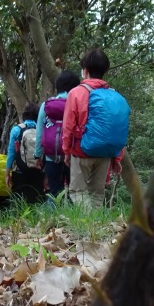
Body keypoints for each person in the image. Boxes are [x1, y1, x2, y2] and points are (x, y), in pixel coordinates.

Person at [61, 48, 129, 209]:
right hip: (105, 153)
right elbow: (118, 128)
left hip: (81, 150)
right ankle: (97, 223)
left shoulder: (76, 93)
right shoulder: (114, 95)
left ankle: (87, 222)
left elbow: (68, 126)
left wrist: (66, 151)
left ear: (85, 70)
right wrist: (116, 157)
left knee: (78, 191)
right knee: (97, 192)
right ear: (105, 70)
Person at [35, 70, 80, 199]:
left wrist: (38, 155)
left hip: (51, 156)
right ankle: (73, 212)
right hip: (73, 156)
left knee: (55, 192)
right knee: (74, 193)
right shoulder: (78, 104)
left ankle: (57, 212)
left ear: (57, 87)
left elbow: (39, 133)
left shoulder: (46, 105)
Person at [7, 103, 45, 204]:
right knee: (36, 201)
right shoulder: (42, 129)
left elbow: (11, 153)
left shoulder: (16, 129)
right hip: (38, 170)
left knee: (19, 202)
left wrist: (7, 174)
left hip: (20, 171)